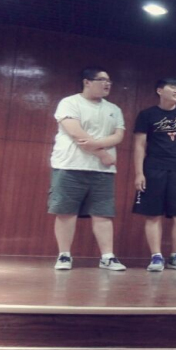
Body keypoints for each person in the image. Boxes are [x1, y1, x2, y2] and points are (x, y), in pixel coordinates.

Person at [50, 67, 126, 271]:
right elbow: (76, 133)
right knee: (66, 212)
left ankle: (107, 257)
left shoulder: (114, 109)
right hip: (69, 166)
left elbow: (118, 136)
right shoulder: (69, 102)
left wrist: (96, 146)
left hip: (103, 171)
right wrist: (103, 154)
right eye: (102, 80)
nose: (107, 83)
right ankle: (64, 256)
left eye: (109, 80)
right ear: (87, 82)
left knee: (103, 214)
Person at [132, 78, 176, 272]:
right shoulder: (147, 115)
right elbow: (139, 145)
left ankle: (175, 255)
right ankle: (156, 256)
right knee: (153, 214)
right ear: (160, 90)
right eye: (173, 87)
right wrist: (139, 173)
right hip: (153, 169)